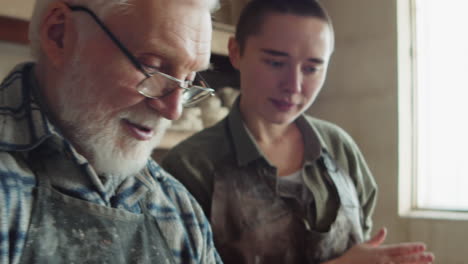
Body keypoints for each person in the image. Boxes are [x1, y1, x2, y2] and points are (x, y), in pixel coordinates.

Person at [162, 0, 435, 263]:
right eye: (275, 63)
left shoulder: (339, 147)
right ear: (236, 52)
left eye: (312, 68)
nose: (293, 85)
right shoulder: (191, 165)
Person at [0, 0, 223, 263]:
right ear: (58, 35)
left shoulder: (178, 211)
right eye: (152, 67)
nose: (173, 111)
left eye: (188, 82)